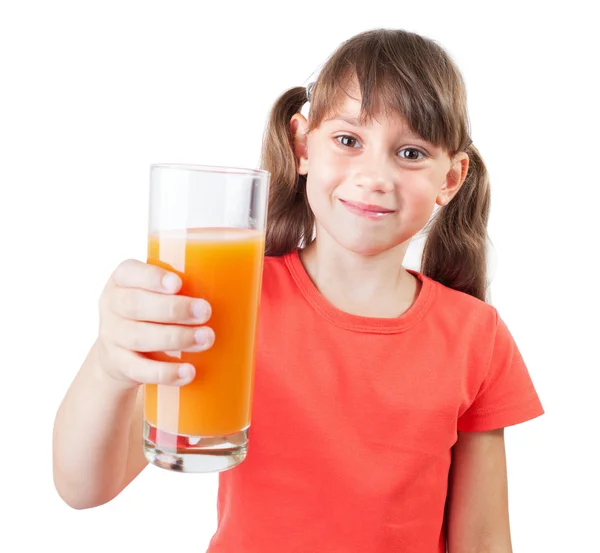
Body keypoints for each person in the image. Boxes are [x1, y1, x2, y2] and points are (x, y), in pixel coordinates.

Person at [53, 28, 544, 553]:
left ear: (451, 179)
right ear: (302, 144)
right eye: (349, 140)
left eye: (410, 152)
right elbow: (84, 487)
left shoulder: (477, 335)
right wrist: (110, 362)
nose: (374, 176)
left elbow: (485, 539)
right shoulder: (231, 298)